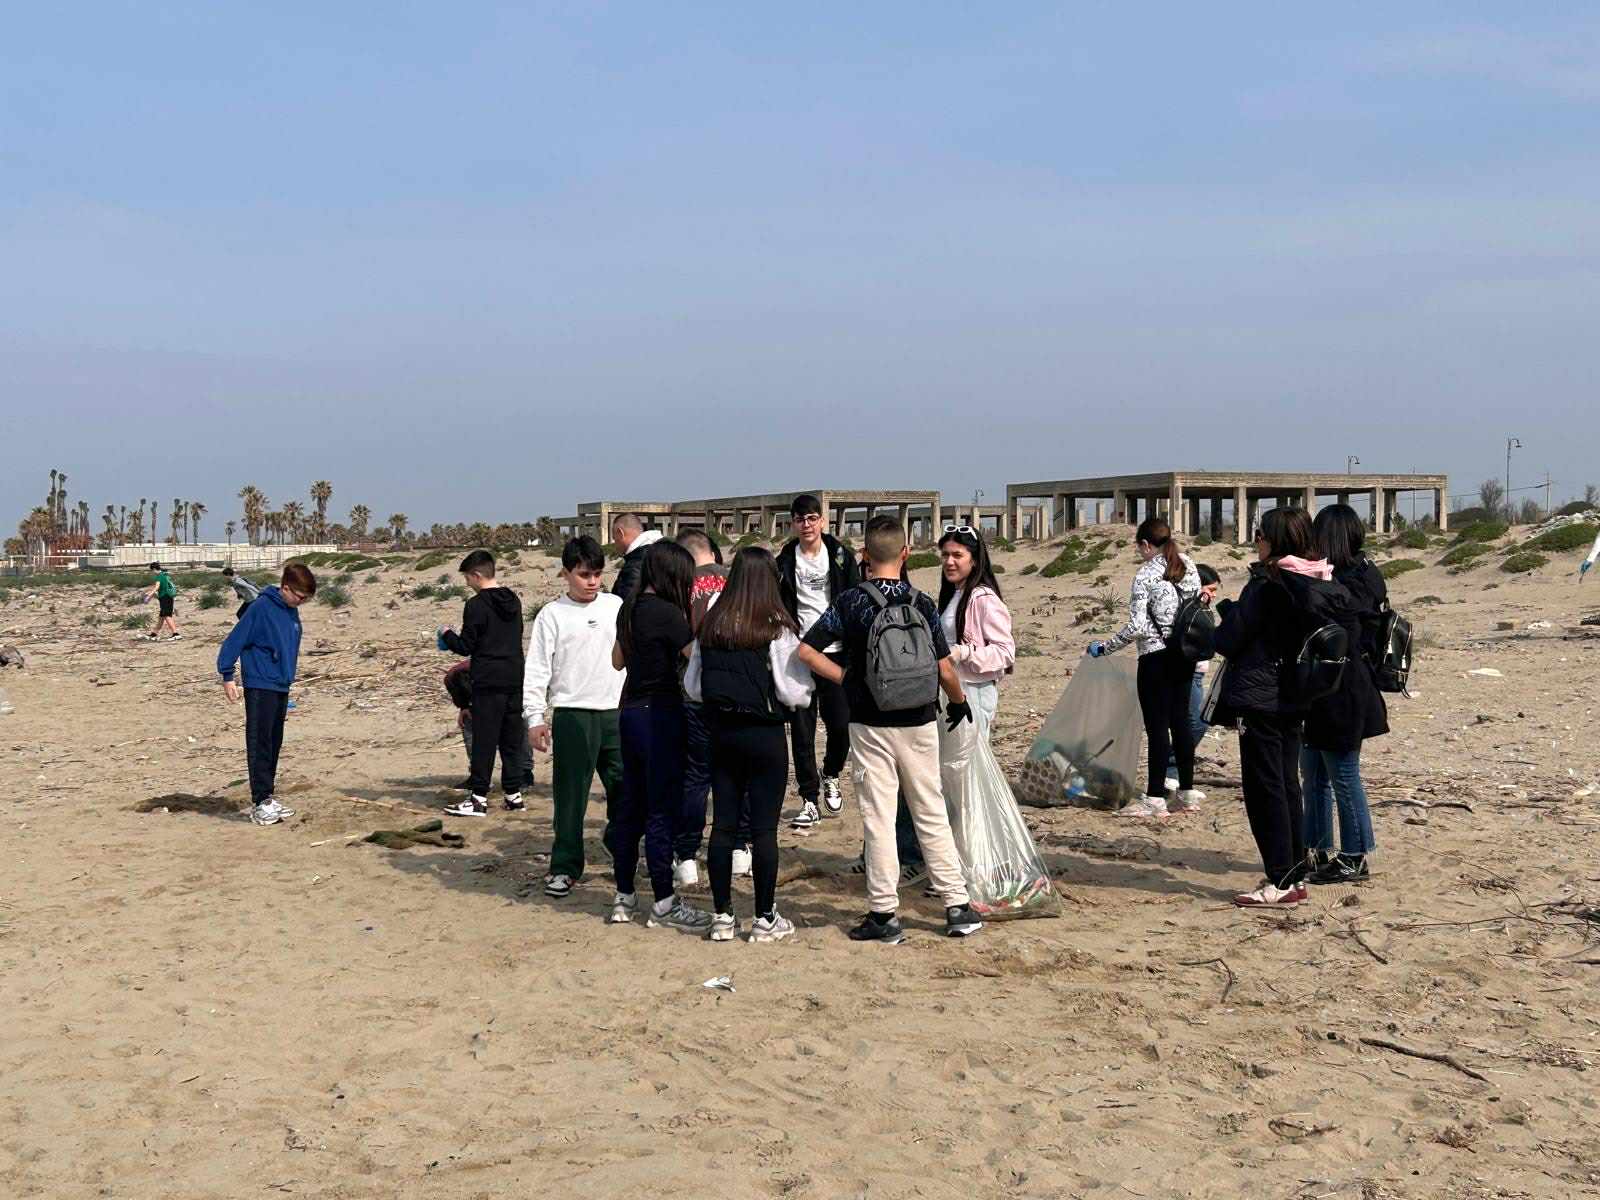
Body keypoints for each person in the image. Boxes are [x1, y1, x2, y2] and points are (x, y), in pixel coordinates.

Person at [797, 515, 983, 941]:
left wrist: (844, 678)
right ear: (905, 554)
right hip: (919, 720)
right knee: (930, 811)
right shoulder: (922, 603)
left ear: (864, 556)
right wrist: (958, 703)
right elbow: (943, 667)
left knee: (879, 818)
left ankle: (884, 915)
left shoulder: (850, 602)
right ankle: (957, 907)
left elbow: (807, 651)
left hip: (869, 721)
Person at [1212, 507, 1351, 907]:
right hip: (1295, 696)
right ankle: (1293, 872)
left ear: (1273, 540)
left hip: (1261, 697)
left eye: (1260, 535)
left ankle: (1282, 878)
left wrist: (1227, 617)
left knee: (1265, 788)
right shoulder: (1316, 577)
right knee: (1288, 784)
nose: (1256, 542)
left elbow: (1229, 640)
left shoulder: (1270, 583)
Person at [685, 547, 813, 942]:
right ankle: (764, 917)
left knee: (722, 825)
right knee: (763, 830)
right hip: (765, 734)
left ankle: (722, 915)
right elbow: (794, 693)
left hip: (722, 733)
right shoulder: (776, 627)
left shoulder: (711, 625)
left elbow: (693, 686)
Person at [610, 540, 712, 933]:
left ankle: (623, 896)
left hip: (630, 713)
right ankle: (665, 903)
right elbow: (696, 659)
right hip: (661, 715)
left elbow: (617, 660)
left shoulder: (629, 609)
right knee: (660, 812)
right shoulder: (669, 614)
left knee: (629, 807)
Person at [524, 536, 625, 899]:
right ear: (566, 574)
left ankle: (622, 854)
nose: (592, 581)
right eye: (584, 575)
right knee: (570, 798)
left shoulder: (617, 605)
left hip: (617, 713)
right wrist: (535, 718)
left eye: (598, 574)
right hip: (572, 715)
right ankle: (565, 866)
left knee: (625, 792)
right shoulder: (552, 615)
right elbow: (537, 670)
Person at [1088, 518, 1203, 818]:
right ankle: (1187, 793)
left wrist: (1106, 647)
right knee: (1181, 722)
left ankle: (1154, 799)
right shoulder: (1190, 566)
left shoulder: (1146, 574)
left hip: (1155, 657)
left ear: (1146, 545)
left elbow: (1137, 626)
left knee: (1156, 728)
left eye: (1140, 548)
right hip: (1185, 655)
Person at [1302, 504, 1388, 884]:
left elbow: (1339, 621)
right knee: (1314, 772)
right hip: (1323, 691)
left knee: (1343, 774)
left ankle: (1354, 856)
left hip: (1345, 691)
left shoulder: (1357, 581)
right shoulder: (1351, 575)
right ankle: (1317, 848)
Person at [777, 494, 860, 828]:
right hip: (798, 652)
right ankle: (809, 798)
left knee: (841, 724)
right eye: (800, 520)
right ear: (793, 524)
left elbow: (855, 598)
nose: (807, 525)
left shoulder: (840, 556)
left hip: (837, 651)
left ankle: (832, 773)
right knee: (801, 729)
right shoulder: (785, 560)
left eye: (812, 518)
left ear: (822, 520)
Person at [217, 563, 317, 827]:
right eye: (299, 596)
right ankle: (259, 801)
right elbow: (234, 641)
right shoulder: (260, 608)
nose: (302, 602)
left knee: (274, 742)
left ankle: (268, 797)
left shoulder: (291, 611)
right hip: (260, 684)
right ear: (285, 588)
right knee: (259, 741)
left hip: (281, 684)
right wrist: (228, 676)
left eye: (306, 599)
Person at [436, 551, 526, 817]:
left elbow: (467, 646)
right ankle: (513, 794)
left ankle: (477, 798)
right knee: (511, 739)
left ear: (477, 575)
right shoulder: (514, 600)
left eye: (467, 577)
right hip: (514, 676)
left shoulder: (476, 605)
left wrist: (446, 634)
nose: (466, 583)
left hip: (488, 680)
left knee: (484, 740)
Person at [934, 524, 1015, 812]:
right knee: (951, 772)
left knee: (967, 771)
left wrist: (965, 652)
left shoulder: (983, 598)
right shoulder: (955, 594)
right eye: (945, 555)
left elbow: (1006, 653)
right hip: (951, 693)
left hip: (974, 693)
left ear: (975, 559)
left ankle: (974, 845)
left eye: (957, 555)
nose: (949, 562)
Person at [671, 527, 732, 887]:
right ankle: (739, 849)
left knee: (696, 777)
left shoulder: (679, 588)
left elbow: (681, 642)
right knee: (734, 775)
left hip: (694, 694)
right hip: (737, 693)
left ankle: (688, 856)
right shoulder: (737, 580)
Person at [1165, 564, 1221, 789]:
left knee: (1192, 723)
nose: (1213, 595)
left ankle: (1172, 771)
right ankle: (1170, 768)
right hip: (1187, 674)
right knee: (1197, 723)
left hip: (1196, 676)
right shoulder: (1187, 607)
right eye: (1211, 589)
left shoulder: (1201, 610)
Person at [445, 659, 534, 794]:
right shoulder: (453, 677)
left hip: (512, 695)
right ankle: (478, 776)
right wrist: (464, 706)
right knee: (468, 721)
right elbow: (459, 694)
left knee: (519, 724)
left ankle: (524, 773)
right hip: (480, 701)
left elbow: (528, 691)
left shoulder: (510, 669)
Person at [610, 512, 663, 602]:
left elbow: (626, 604)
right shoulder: (664, 551)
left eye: (615, 539)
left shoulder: (636, 563)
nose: (615, 544)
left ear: (620, 533)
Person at [144, 562, 180, 641]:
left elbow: (157, 587)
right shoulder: (165, 575)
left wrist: (149, 596)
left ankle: (175, 634)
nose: (152, 573)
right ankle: (154, 634)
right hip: (169, 597)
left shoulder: (159, 576)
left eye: (151, 571)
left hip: (165, 598)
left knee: (167, 616)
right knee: (161, 617)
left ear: (154, 569)